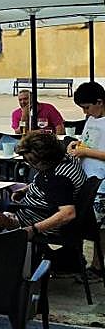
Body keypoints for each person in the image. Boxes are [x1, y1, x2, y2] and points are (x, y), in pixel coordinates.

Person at [5, 131, 86, 242]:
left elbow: (68, 213)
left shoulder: (57, 179)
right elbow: (48, 187)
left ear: (46, 159)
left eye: (33, 162)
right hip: (35, 212)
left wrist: (34, 229)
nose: (30, 165)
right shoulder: (67, 160)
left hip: (36, 222)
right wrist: (24, 190)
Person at [68, 81, 105, 275]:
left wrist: (85, 152)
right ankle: (83, 262)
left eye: (87, 107)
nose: (85, 112)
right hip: (85, 177)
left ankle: (98, 265)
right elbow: (88, 141)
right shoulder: (92, 118)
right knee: (86, 225)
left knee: (99, 228)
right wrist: (77, 145)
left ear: (100, 102)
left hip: (101, 181)